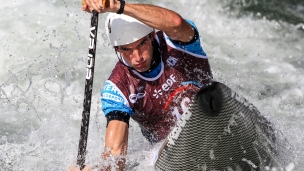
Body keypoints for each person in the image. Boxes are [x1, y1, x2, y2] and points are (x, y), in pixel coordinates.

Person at [69, 0, 212, 170]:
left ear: (152, 36)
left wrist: (117, 6)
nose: (137, 57)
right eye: (126, 50)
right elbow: (115, 156)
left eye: (141, 44)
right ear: (117, 49)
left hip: (212, 118)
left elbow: (176, 23)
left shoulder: (175, 44)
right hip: (170, 154)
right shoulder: (118, 88)